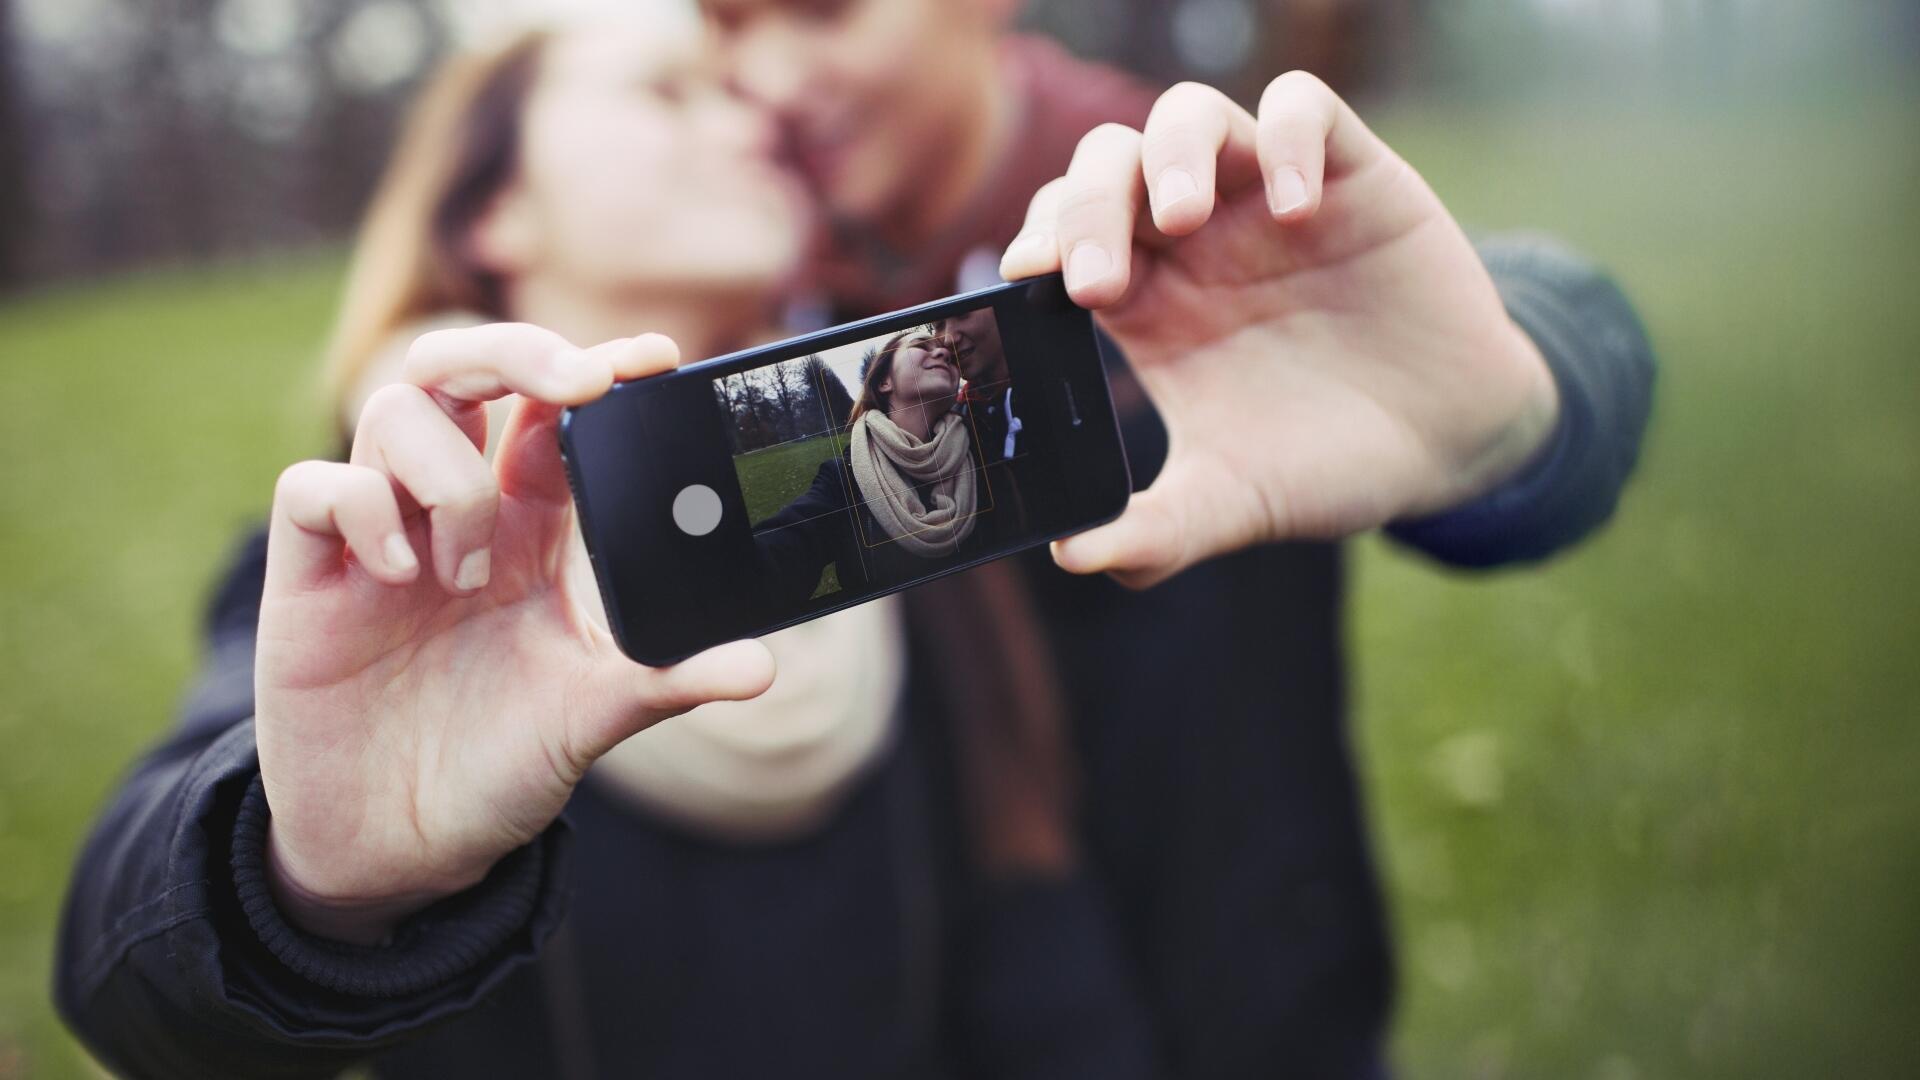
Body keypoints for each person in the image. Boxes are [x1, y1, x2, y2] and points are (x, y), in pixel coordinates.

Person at [54, 15, 1656, 1080]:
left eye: (792, 26)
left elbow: (1517, 346)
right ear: (490, 213)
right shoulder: (397, 560)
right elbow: (131, 957)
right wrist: (305, 879)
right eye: (680, 79)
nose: (752, 98)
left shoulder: (924, 420)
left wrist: (1517, 408)